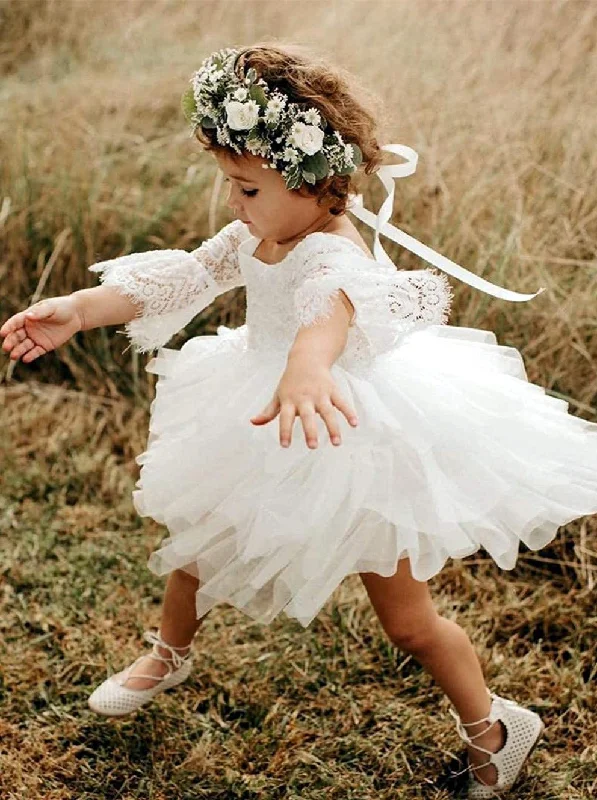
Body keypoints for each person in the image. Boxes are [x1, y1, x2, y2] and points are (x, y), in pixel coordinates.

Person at [2, 42, 596, 798]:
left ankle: (494, 727)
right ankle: (168, 652)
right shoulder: (261, 229)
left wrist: (308, 368)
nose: (233, 205)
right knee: (199, 535)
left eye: (245, 189)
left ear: (314, 183)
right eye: (229, 185)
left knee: (408, 625)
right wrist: (80, 309)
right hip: (264, 404)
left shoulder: (331, 255)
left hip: (345, 427)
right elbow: (191, 271)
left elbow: (326, 316)